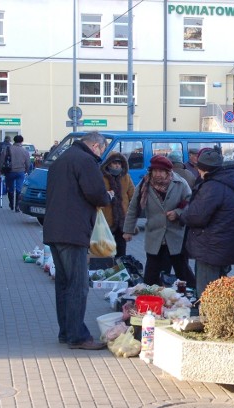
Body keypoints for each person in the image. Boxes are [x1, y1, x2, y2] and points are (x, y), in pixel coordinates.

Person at [43, 131, 113, 350]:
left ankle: (66, 331)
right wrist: (107, 196)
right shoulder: (85, 161)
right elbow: (95, 193)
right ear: (95, 146)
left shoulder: (61, 159)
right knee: (78, 285)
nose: (101, 154)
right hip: (73, 231)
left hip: (55, 228)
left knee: (64, 284)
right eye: (102, 150)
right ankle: (77, 337)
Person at [179, 148, 234, 297]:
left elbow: (195, 216)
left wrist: (184, 212)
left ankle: (207, 320)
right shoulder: (233, 182)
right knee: (220, 294)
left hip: (210, 249)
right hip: (227, 247)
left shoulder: (212, 187)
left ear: (202, 169)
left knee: (207, 295)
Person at [123, 155, 195, 287]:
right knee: (151, 274)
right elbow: (134, 208)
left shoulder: (180, 183)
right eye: (155, 171)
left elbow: (191, 203)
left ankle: (194, 298)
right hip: (154, 235)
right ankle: (150, 299)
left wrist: (178, 213)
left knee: (183, 271)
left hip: (175, 236)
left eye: (161, 171)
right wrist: (128, 230)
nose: (157, 174)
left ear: (168, 172)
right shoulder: (145, 184)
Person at [100, 153, 135, 257]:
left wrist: (131, 213)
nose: (117, 166)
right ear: (108, 164)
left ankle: (121, 270)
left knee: (121, 249)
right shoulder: (102, 178)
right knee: (106, 251)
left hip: (122, 219)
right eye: (114, 163)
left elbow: (133, 195)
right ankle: (107, 271)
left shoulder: (126, 177)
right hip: (106, 219)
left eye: (119, 163)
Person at [0, 134, 30, 212]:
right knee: (19, 189)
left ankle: (11, 204)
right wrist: (26, 170)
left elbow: (1, 160)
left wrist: (0, 170)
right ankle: (17, 206)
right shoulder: (25, 151)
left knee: (10, 188)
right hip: (20, 172)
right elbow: (28, 163)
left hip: (10, 171)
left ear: (14, 140)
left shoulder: (7, 149)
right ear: (21, 141)